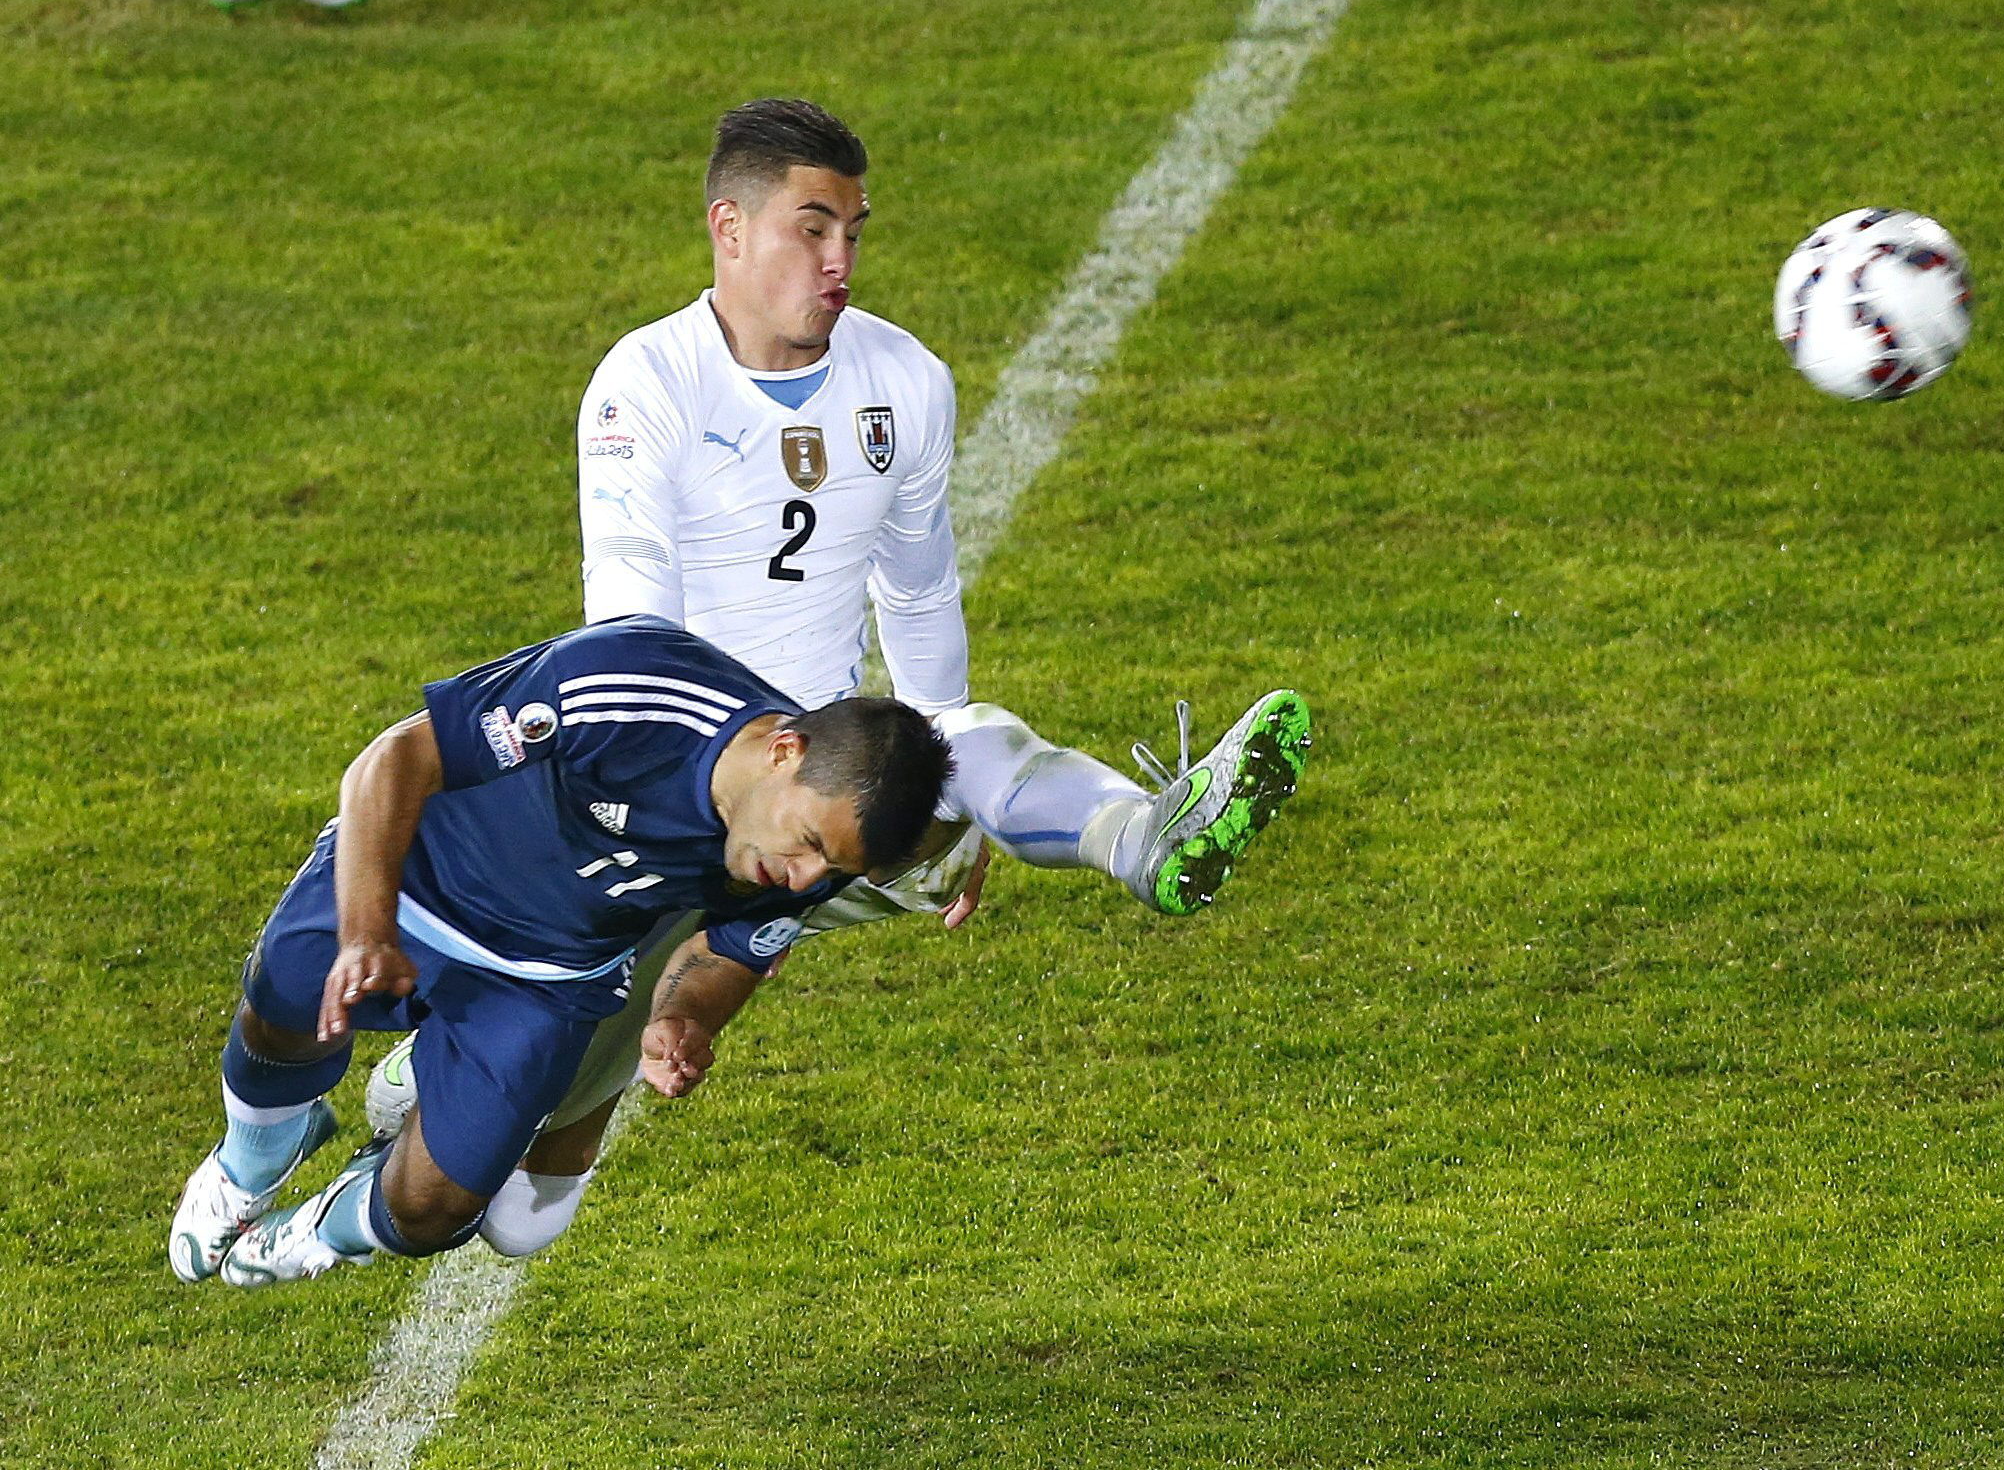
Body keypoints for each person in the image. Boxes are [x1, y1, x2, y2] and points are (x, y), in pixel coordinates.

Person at [363, 98, 1315, 1262]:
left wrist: (931, 801)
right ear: (729, 228)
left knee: (966, 737)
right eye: (813, 231)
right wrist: (698, 802)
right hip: (675, 803)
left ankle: (1143, 836)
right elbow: (628, 627)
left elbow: (917, 592)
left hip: (824, 784)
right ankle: (455, 1065)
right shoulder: (645, 384)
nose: (841, 262)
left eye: (856, 232)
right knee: (520, 1219)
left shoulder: (904, 380)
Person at [167, 615, 953, 1286]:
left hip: (549, 979)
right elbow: (398, 758)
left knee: (436, 1210)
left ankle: (309, 1238)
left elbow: (736, 948)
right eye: (810, 843)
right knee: (283, 1002)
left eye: (832, 869)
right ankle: (254, 1154)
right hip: (420, 878)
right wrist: (366, 929)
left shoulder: (803, 859)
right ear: (784, 750)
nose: (807, 875)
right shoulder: (633, 686)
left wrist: (684, 1019)